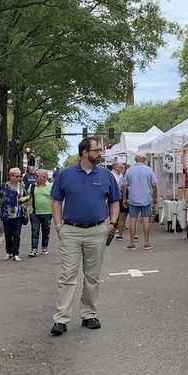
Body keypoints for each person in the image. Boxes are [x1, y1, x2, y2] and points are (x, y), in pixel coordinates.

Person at [49, 137, 120, 335]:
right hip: (70, 230)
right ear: (84, 152)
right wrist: (58, 225)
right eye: (96, 150)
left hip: (97, 230)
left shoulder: (106, 175)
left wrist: (112, 224)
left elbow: (115, 200)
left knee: (92, 276)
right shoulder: (65, 175)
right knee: (68, 275)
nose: (100, 153)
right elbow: (56, 200)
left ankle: (89, 315)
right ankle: (61, 319)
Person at [123, 154, 157, 250]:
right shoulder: (149, 170)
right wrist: (155, 197)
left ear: (135, 160)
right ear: (144, 160)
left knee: (133, 220)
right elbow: (154, 185)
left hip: (133, 198)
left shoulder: (129, 170)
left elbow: (125, 186)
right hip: (146, 198)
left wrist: (125, 198)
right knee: (146, 219)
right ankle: (146, 242)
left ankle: (132, 243)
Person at [0, 167, 28, 261]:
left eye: (20, 176)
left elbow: (27, 195)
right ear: (11, 176)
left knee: (16, 234)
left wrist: (24, 199)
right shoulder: (4, 186)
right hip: (6, 213)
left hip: (18, 213)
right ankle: (8, 252)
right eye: (17, 176)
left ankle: (16, 253)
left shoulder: (21, 186)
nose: (19, 178)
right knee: (8, 234)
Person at [27, 169, 54, 257]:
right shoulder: (32, 186)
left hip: (47, 213)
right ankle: (34, 249)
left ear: (44, 177)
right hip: (35, 213)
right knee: (35, 231)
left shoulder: (51, 187)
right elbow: (29, 197)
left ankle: (44, 248)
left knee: (46, 231)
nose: (35, 177)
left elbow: (55, 200)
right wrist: (25, 208)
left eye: (37, 176)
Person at [111, 162, 127, 239]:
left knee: (121, 215)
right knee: (114, 214)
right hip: (114, 197)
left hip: (121, 196)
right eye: (119, 167)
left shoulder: (121, 175)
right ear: (114, 166)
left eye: (122, 167)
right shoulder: (110, 174)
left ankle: (119, 230)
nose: (121, 169)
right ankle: (113, 229)